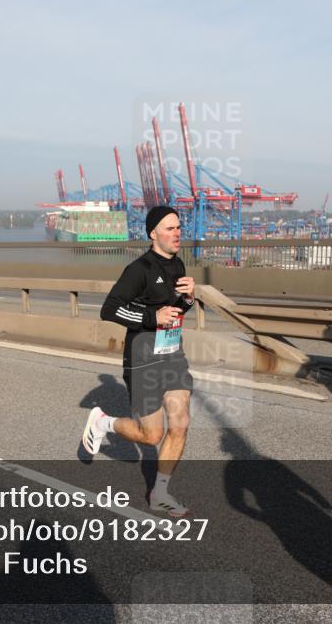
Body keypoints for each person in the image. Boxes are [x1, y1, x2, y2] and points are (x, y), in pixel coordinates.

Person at [82, 206, 196, 517]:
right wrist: (151, 316)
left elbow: (173, 311)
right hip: (143, 358)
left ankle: (160, 493)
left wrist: (188, 299)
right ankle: (103, 422)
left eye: (178, 227)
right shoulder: (138, 269)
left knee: (181, 423)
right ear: (153, 234)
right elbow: (109, 309)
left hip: (172, 354)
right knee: (152, 435)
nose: (177, 233)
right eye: (170, 228)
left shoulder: (178, 264)